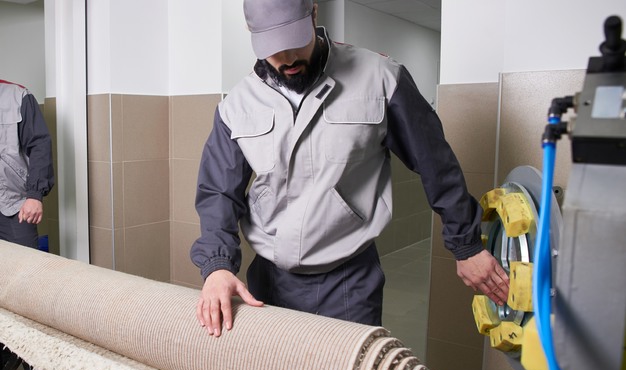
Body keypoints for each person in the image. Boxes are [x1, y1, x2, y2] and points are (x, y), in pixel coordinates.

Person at [191, 0, 509, 337]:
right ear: (252, 33)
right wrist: (218, 266)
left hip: (348, 280)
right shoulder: (237, 105)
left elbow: (436, 162)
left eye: (296, 41)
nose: (288, 58)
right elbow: (218, 192)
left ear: (313, 14)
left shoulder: (381, 78)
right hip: (269, 278)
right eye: (273, 48)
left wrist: (466, 244)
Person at [0, 79, 55, 370]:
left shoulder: (17, 96)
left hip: (14, 205)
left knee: (28, 288)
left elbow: (40, 145)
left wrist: (35, 194)